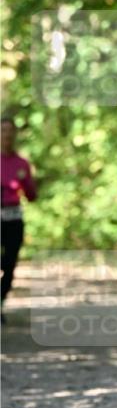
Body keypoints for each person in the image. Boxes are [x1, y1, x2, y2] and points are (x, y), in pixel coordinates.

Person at [1, 117, 38, 324]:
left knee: (10, 263)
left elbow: (32, 196)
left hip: (14, 218)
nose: (6, 135)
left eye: (10, 131)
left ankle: (0, 299)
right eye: (2, 130)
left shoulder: (21, 164)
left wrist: (26, 181)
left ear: (15, 134)